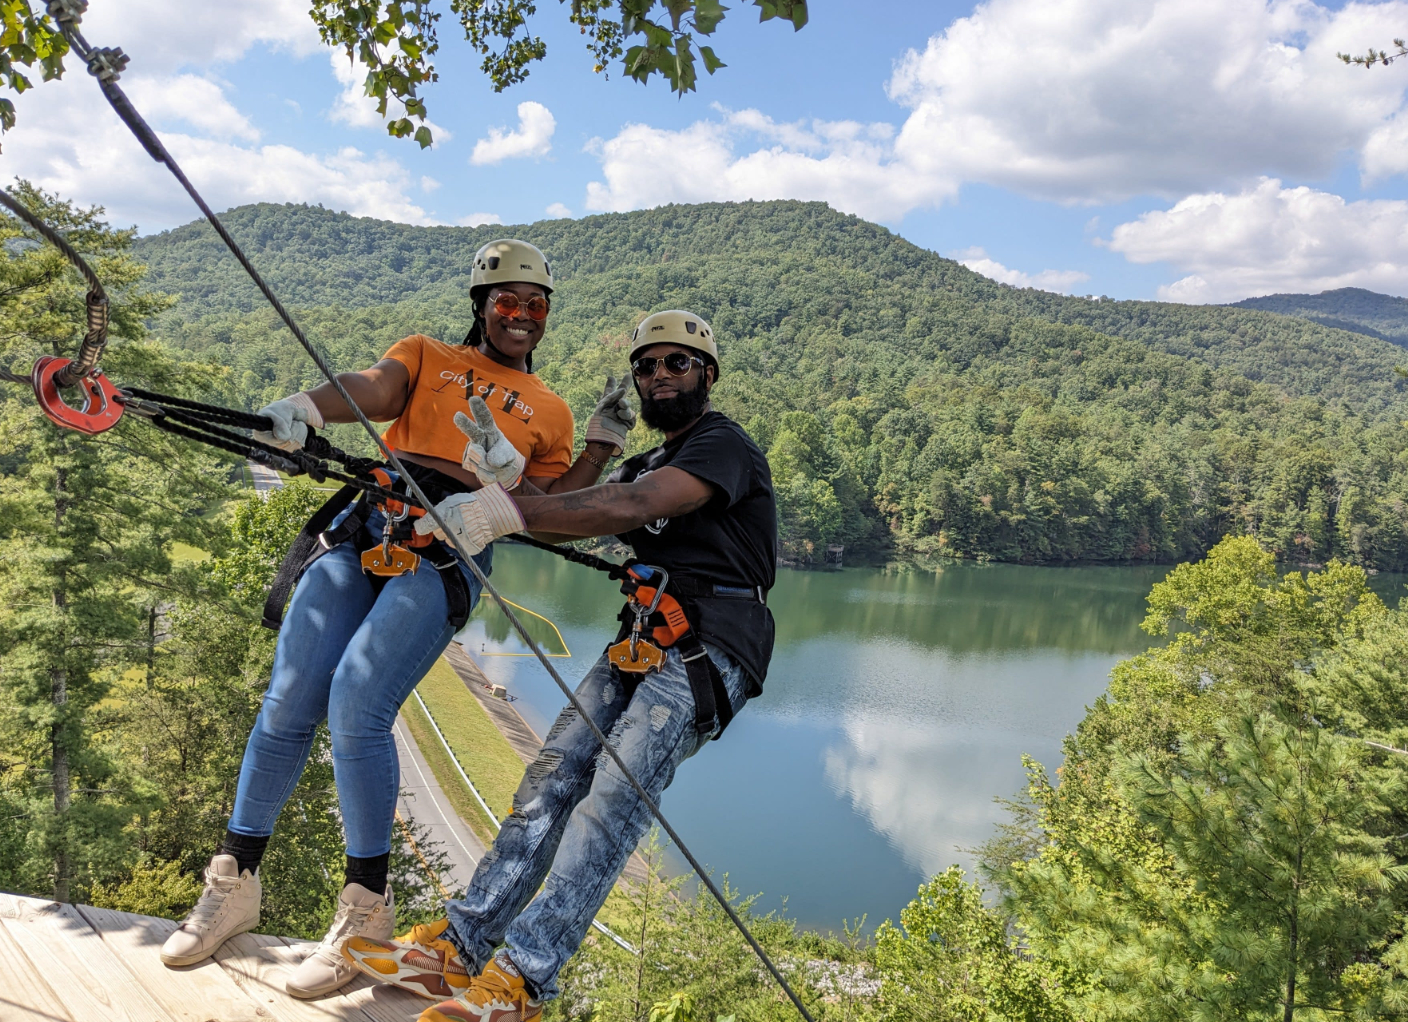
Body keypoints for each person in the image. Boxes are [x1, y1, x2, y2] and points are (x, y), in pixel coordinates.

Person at [158, 240, 638, 999]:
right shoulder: (428, 355)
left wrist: (601, 451)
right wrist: (309, 407)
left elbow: (548, 511)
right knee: (288, 699)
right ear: (481, 306)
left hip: (447, 552)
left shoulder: (550, 410)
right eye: (506, 302)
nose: (519, 317)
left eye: (534, 306)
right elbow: (374, 388)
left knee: (357, 702)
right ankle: (234, 880)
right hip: (368, 525)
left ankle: (364, 914)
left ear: (547, 318)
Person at [342, 309, 778, 1022]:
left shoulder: (720, 445)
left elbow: (633, 507)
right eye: (647, 365)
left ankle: (521, 982)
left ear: (708, 374)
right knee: (550, 779)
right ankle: (459, 945)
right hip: (642, 638)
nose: (660, 376)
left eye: (678, 363)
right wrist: (527, 469)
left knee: (611, 799)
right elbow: (564, 508)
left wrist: (504, 511)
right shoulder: (646, 462)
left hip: (711, 646)